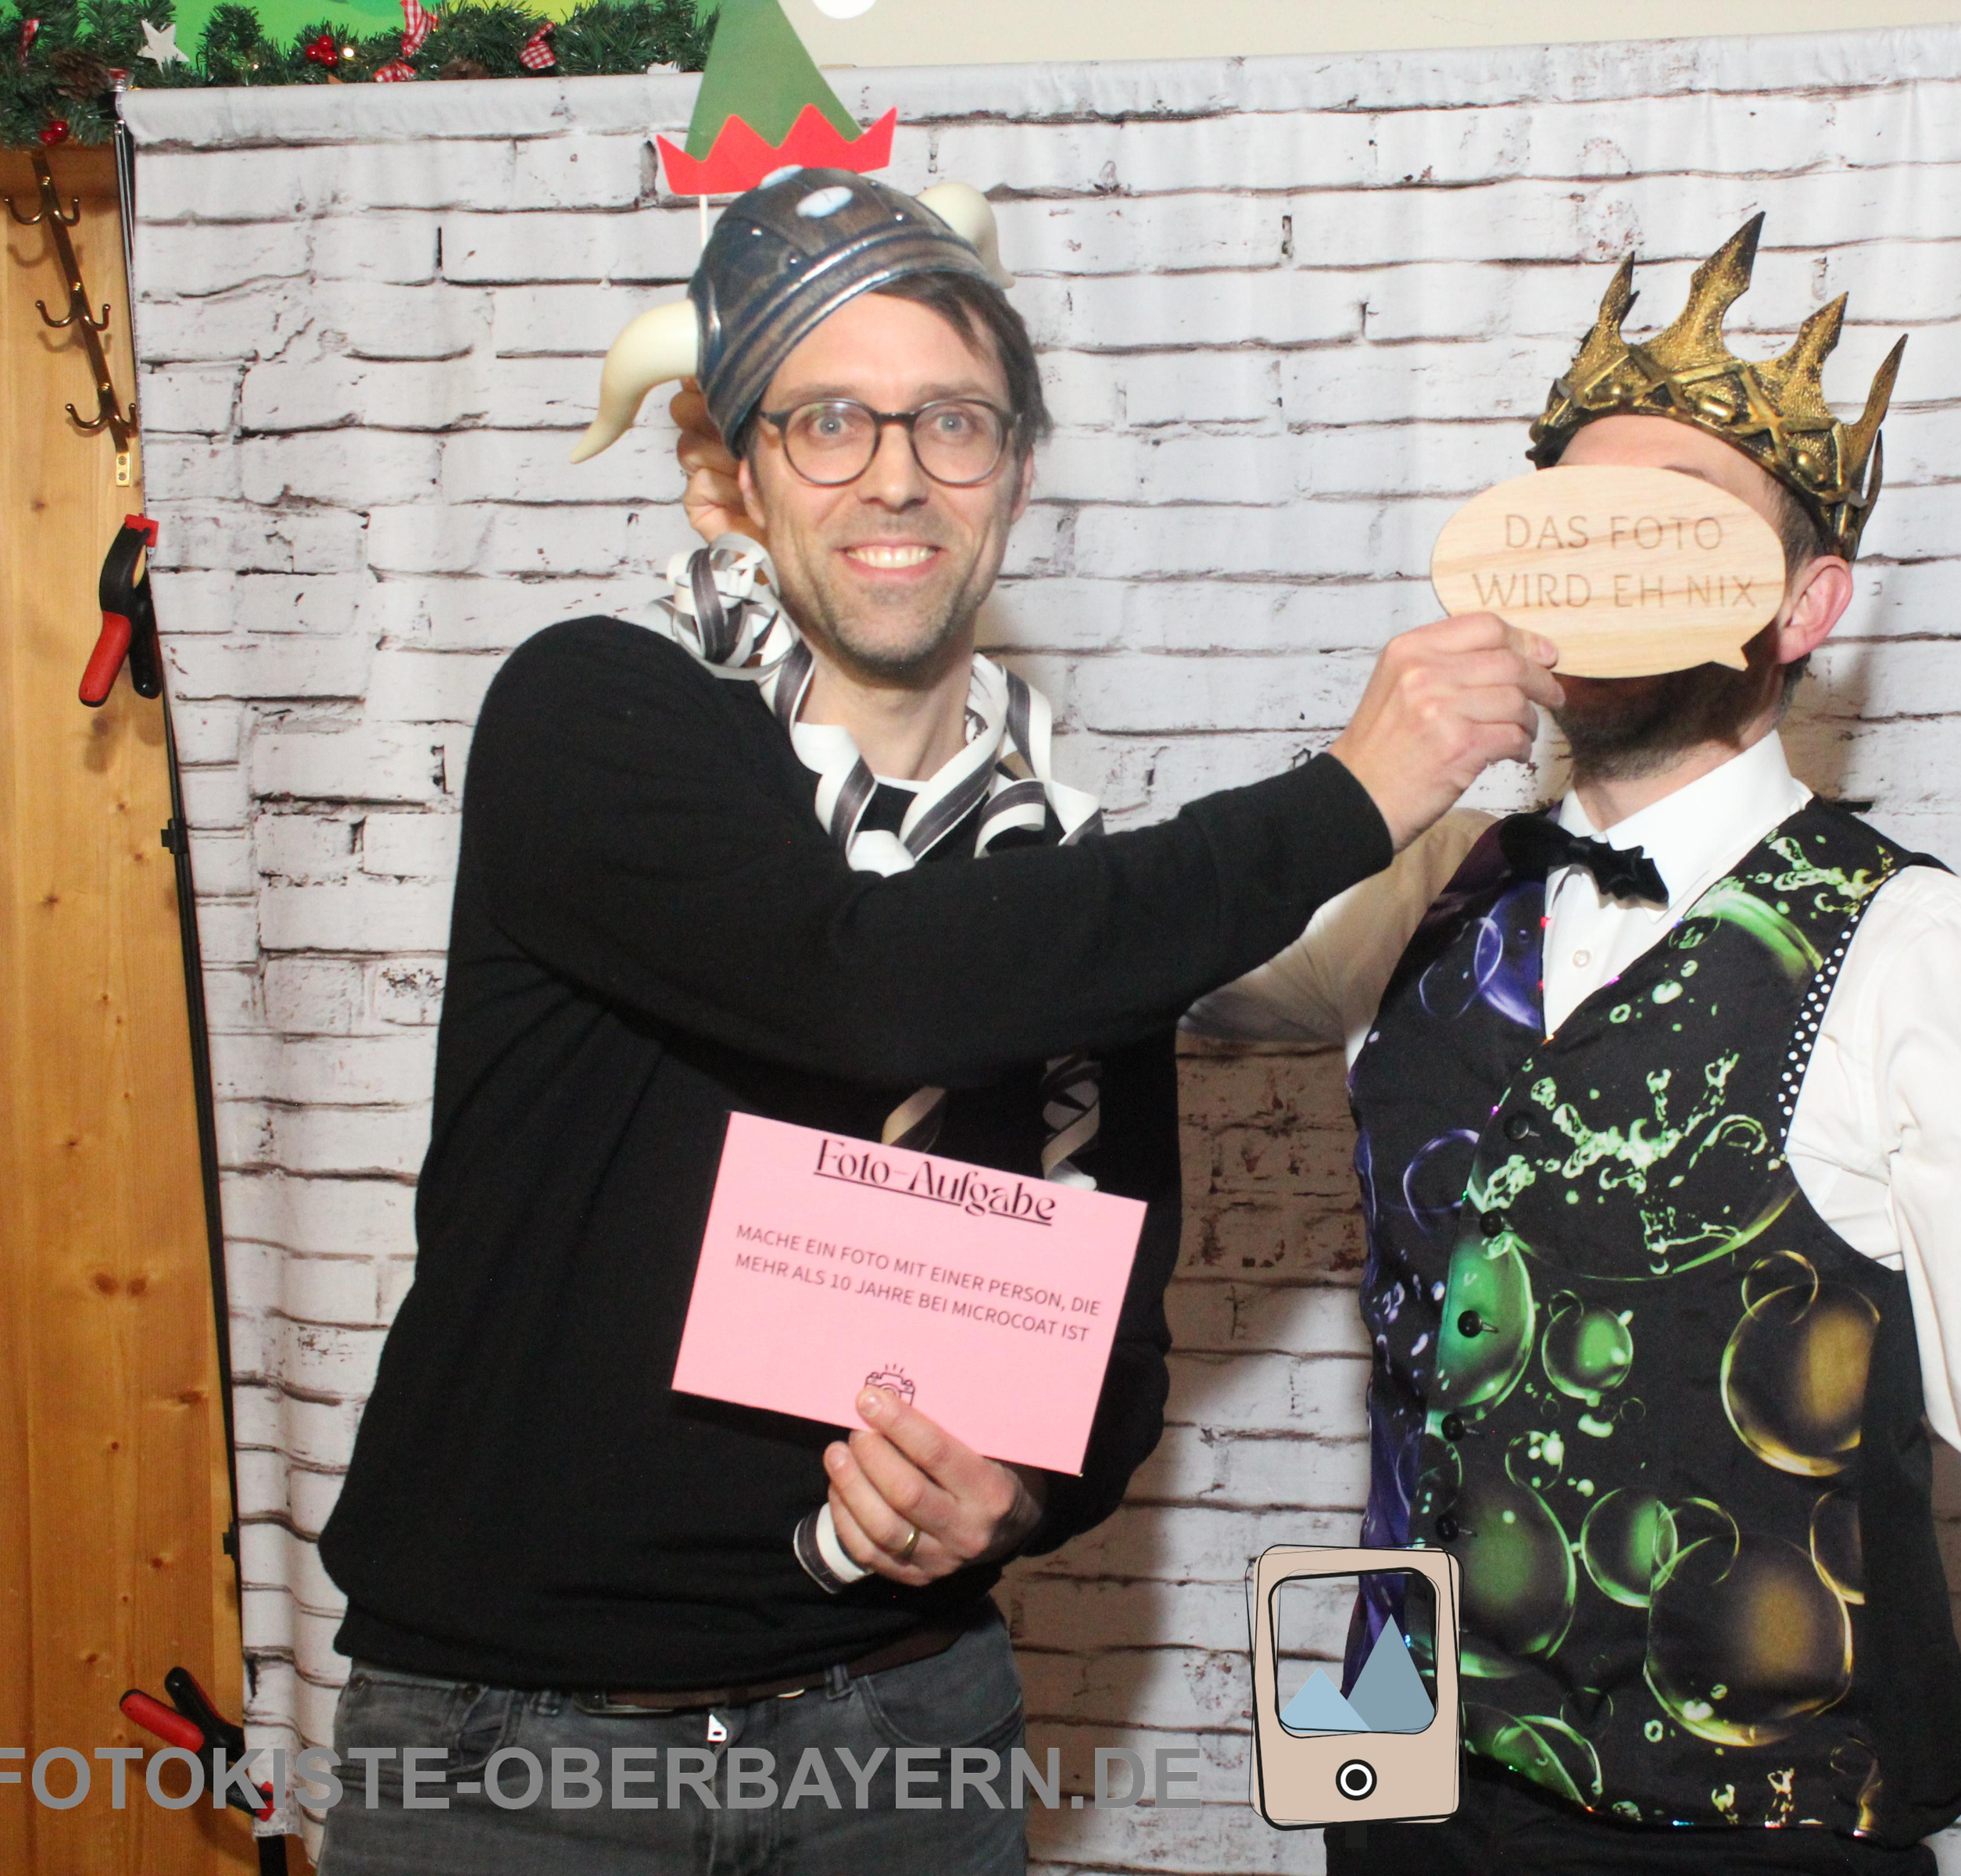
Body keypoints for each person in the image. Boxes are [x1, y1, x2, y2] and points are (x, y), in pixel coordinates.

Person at [313, 167, 1560, 1875]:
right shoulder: (594, 711)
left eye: (952, 423)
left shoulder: (1061, 898)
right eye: (828, 419)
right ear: (728, 474)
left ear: (1015, 475)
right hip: (522, 1756)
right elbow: (866, 978)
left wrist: (1017, 1499)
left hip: (906, 1734)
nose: (896, 473)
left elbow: (1110, 1355)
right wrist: (1351, 796)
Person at [1183, 217, 1961, 1875]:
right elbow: (1159, 982)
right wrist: (1352, 789)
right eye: (1576, 531)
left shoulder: (1919, 951)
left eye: (1676, 533)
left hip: (1740, 1834)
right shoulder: (1424, 877)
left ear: (1804, 605)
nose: (1609, 572)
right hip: (1391, 1765)